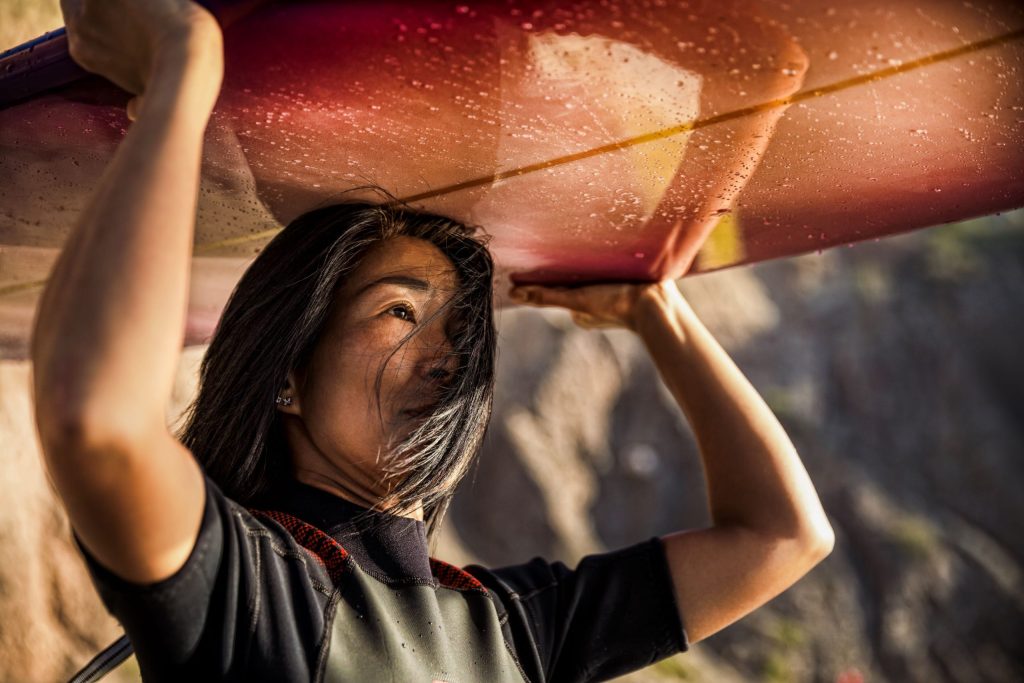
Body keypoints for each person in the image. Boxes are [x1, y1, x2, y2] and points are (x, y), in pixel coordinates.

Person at [34, 1, 835, 681]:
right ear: (288, 376)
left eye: (464, 330)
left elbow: (783, 536)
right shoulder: (247, 585)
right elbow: (100, 422)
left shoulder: (516, 627)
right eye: (398, 312)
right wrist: (183, 67)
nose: (450, 356)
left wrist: (654, 310)